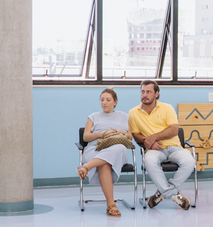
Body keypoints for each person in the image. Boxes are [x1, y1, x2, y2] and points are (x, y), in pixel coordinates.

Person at [130, 80, 195, 210]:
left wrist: (153, 137)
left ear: (156, 94)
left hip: (174, 147)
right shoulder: (133, 112)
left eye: (149, 92)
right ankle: (172, 193)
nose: (145, 95)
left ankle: (163, 192)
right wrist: (149, 143)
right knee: (148, 161)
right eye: (143, 92)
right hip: (154, 149)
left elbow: (173, 130)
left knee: (190, 161)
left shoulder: (167, 108)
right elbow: (136, 135)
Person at [78, 88, 131, 217]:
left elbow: (130, 137)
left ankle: (86, 167)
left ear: (115, 102)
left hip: (117, 148)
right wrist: (102, 134)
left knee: (119, 148)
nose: (104, 102)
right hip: (95, 148)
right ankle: (111, 205)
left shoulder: (124, 116)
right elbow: (86, 137)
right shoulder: (93, 117)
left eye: (108, 100)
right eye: (102, 100)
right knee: (104, 163)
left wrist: (119, 132)